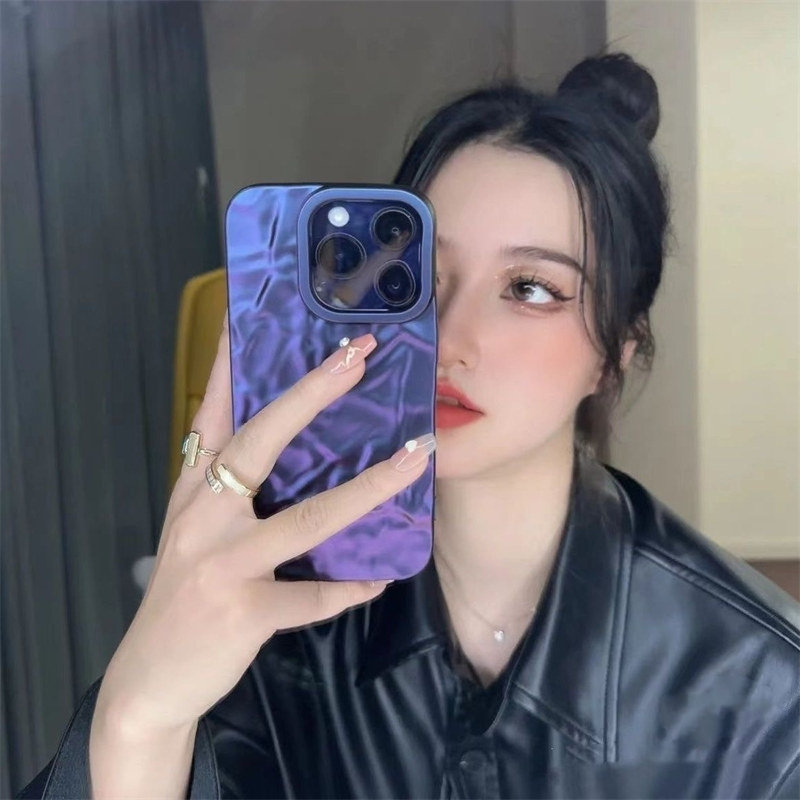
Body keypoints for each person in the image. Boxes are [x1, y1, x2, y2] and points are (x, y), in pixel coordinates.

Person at [18, 53, 799, 800]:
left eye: (530, 288)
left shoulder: (763, 694)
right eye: (418, 271)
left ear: (615, 353)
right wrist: (138, 720)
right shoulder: (271, 610)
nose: (448, 336)